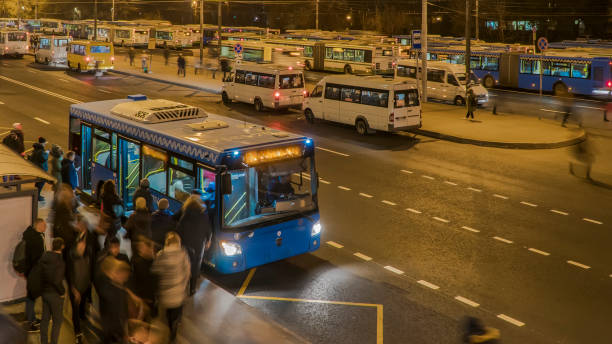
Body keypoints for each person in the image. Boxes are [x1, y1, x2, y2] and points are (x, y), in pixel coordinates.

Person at [152, 232, 190, 343]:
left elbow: (155, 271)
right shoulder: (183, 254)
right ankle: (173, 330)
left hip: (165, 294)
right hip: (178, 293)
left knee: (168, 315)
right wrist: (183, 285)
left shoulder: (161, 255)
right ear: (178, 242)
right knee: (175, 315)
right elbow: (187, 272)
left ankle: (170, 327)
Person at [176, 195, 211, 295]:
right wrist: (208, 240)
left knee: (186, 263)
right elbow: (208, 229)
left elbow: (179, 229)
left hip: (186, 243)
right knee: (196, 265)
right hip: (199, 244)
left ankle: (185, 283)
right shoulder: (204, 215)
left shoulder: (185, 215)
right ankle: (192, 289)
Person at [98, 256, 130, 343]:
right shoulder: (113, 291)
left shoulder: (112, 287)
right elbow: (118, 314)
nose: (125, 279)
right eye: (123, 275)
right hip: (113, 331)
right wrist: (124, 333)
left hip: (110, 329)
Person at [39, 238, 66, 344]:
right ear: (62, 246)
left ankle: (44, 342)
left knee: (45, 319)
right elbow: (56, 281)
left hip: (44, 292)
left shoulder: (44, 257)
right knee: (57, 321)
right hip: (54, 294)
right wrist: (62, 292)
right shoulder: (60, 261)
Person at [23, 218, 46, 332]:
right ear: (38, 226)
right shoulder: (36, 239)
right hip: (34, 271)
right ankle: (30, 323)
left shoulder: (30, 234)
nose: (45, 227)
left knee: (30, 294)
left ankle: (31, 317)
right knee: (31, 295)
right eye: (43, 225)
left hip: (30, 271)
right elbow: (37, 258)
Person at [129, 239, 157, 318]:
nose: (140, 249)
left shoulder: (152, 261)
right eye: (140, 247)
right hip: (140, 297)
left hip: (149, 297)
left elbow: (154, 280)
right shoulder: (135, 261)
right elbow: (133, 279)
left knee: (148, 318)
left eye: (142, 247)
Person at [51, 185, 76, 260]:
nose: (72, 197)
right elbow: (64, 227)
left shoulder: (63, 207)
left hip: (63, 241)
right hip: (65, 242)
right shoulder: (63, 209)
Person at [29, 137, 49, 201]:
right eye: (45, 143)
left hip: (38, 168)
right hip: (41, 168)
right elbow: (43, 159)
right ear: (42, 143)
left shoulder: (36, 149)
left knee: (38, 182)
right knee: (41, 182)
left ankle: (37, 194)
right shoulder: (41, 150)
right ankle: (37, 196)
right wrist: (47, 154)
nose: (45, 144)